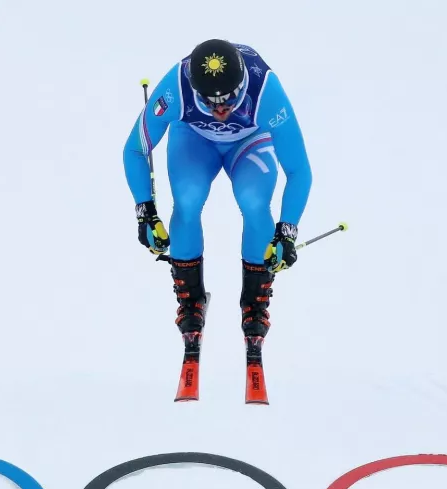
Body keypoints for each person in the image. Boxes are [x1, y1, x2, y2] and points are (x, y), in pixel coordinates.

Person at [123, 39, 313, 349]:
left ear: (242, 85)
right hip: (195, 138)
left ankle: (255, 301)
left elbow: (299, 170)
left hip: (248, 139)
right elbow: (134, 148)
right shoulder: (176, 88)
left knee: (254, 200)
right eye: (210, 101)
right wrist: (145, 210)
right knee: (187, 197)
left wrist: (286, 231)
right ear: (194, 89)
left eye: (229, 98)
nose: (221, 108)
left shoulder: (265, 91)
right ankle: (190, 299)